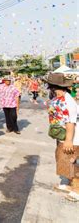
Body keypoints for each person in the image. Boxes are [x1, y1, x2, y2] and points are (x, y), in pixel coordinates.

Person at [44, 73, 79, 202]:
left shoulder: (68, 101)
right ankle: (71, 186)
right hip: (62, 136)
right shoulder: (60, 98)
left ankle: (76, 191)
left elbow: (71, 121)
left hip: (72, 138)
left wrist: (69, 140)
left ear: (54, 87)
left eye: (50, 87)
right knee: (64, 161)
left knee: (72, 163)